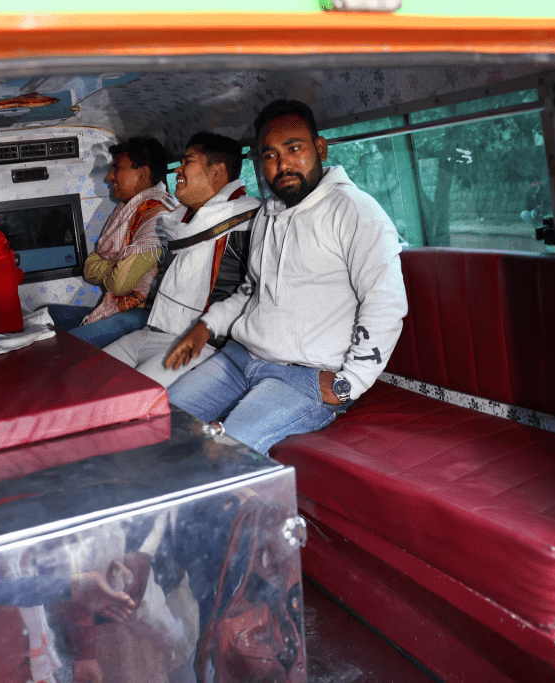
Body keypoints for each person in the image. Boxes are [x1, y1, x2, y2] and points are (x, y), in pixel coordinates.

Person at [165, 99, 408, 454]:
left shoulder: (356, 212)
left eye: (294, 149)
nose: (282, 165)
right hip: (240, 358)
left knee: (224, 455)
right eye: (270, 155)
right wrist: (207, 327)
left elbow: (385, 304)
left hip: (302, 378)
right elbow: (251, 287)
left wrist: (350, 384)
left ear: (320, 147)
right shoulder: (268, 214)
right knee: (164, 422)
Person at [101, 132, 262, 387]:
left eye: (188, 161)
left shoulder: (250, 223)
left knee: (125, 394)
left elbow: (254, 294)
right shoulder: (181, 222)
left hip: (202, 344)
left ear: (217, 172)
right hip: (154, 331)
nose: (178, 169)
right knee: (89, 377)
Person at [45, 137, 178, 348]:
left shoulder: (158, 216)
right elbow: (89, 269)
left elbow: (121, 284)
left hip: (147, 312)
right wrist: (117, 266)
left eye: (117, 168)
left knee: (70, 346)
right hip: (123, 305)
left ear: (143, 173)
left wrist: (111, 268)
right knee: (48, 315)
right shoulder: (126, 210)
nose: (110, 176)